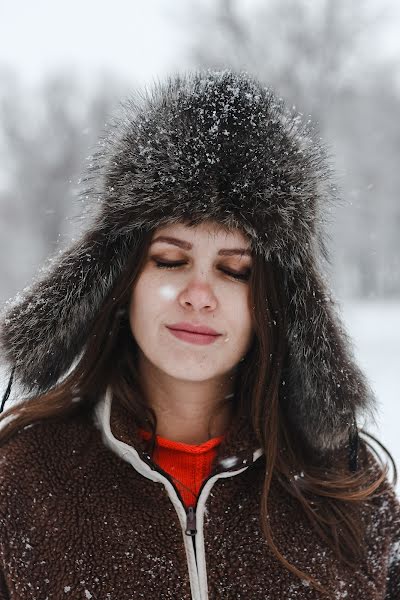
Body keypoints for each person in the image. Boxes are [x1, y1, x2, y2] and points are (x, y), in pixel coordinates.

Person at [0, 69, 398, 599]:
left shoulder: (346, 486)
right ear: (123, 279)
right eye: (170, 260)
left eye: (235, 270)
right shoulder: (23, 480)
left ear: (275, 303)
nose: (199, 293)